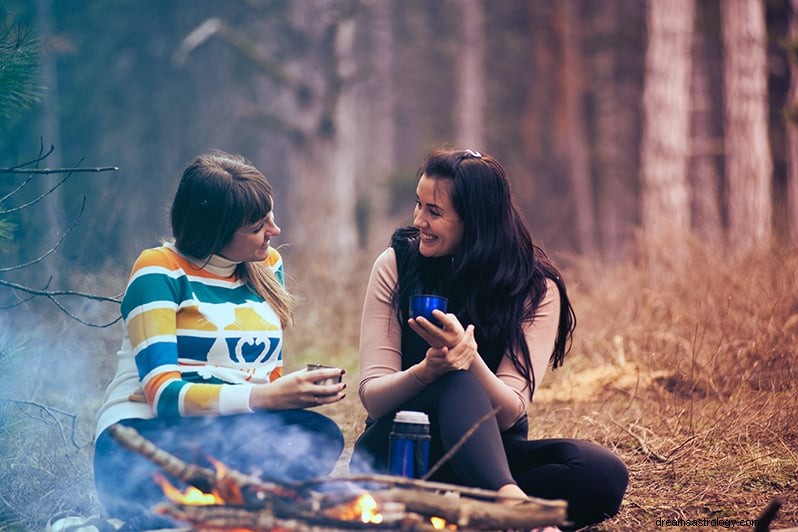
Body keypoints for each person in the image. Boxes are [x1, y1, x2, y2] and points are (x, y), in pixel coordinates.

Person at [352, 147, 628, 530]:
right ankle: (511, 509)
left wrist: (470, 359)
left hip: (489, 454)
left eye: (434, 212)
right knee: (452, 379)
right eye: (418, 205)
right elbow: (374, 397)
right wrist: (427, 372)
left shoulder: (535, 287)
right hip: (399, 452)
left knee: (602, 472)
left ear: (476, 221)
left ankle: (476, 511)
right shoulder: (396, 265)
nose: (419, 221)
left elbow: (511, 409)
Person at [93, 151, 346, 528]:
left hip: (226, 436)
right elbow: (163, 396)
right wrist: (267, 398)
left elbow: (264, 376)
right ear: (215, 231)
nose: (274, 231)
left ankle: (214, 513)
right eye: (259, 226)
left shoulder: (267, 265)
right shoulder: (159, 270)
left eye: (271, 217)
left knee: (318, 433)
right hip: (141, 442)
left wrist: (290, 394)